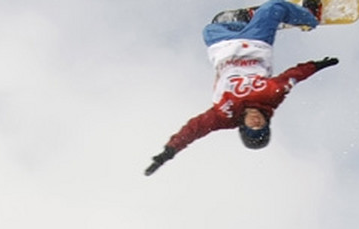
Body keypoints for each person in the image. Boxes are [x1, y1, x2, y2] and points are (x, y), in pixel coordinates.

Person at [144, 0, 340, 176]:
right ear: (266, 122)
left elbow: (195, 128)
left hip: (222, 46)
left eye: (252, 126)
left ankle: (244, 22)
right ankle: (308, 17)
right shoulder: (273, 96)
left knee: (210, 28)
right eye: (260, 125)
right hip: (255, 42)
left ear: (243, 126)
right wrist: (316, 66)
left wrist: (169, 151)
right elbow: (293, 76)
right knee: (274, 7)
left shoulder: (224, 115)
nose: (256, 121)